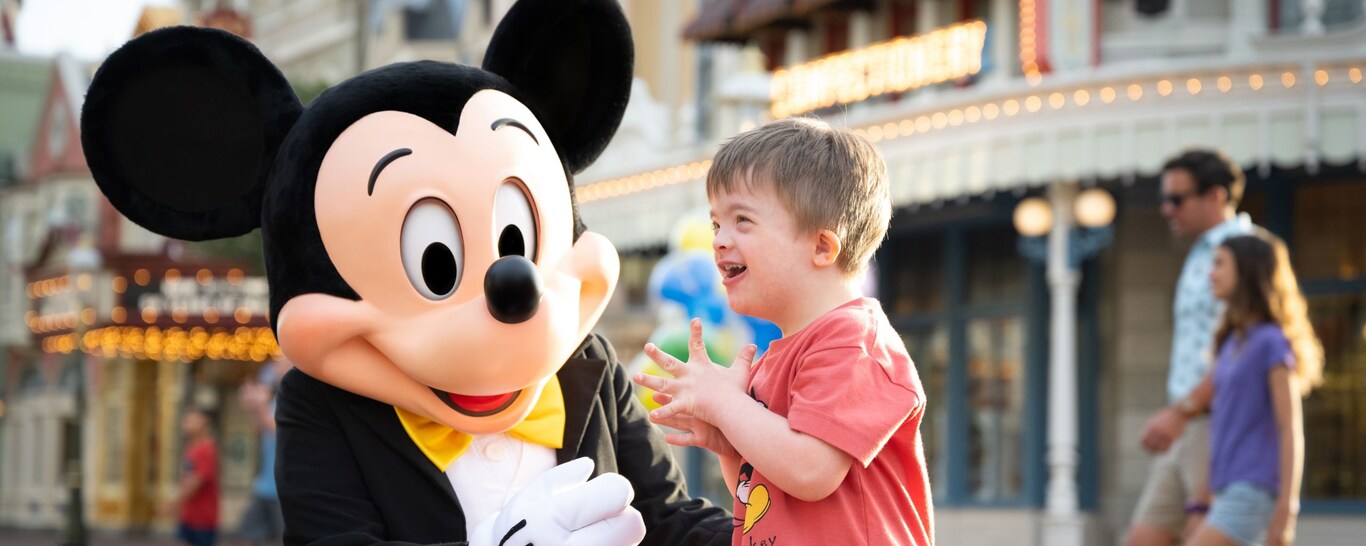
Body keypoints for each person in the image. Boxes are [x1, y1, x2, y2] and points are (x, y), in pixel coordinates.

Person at [633, 118, 933, 545]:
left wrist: (726, 404)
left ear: (822, 247)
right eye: (716, 224)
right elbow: (758, 493)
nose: (718, 240)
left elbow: (810, 472)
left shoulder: (853, 342)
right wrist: (731, 443)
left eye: (742, 220)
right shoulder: (779, 354)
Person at [1127, 149, 1257, 546]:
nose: (1167, 209)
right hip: (1185, 424)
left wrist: (1182, 411)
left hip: (1220, 422)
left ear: (1215, 196)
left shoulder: (1249, 254)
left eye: (1177, 199)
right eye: (1164, 199)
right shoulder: (1200, 254)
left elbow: (1244, 350)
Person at [1186, 231, 1322, 546]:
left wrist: (1287, 509)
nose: (1211, 274)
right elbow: (1222, 427)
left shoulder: (1271, 342)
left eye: (1220, 264)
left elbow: (1290, 428)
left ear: (1246, 271)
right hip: (1226, 489)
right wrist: (1203, 500)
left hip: (1252, 489)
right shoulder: (1231, 343)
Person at [237, 358, 290, 546]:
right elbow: (260, 430)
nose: (274, 368)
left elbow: (280, 431)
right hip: (265, 485)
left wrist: (259, 404)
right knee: (248, 536)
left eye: (280, 363)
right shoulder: (274, 401)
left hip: (284, 488)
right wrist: (253, 406)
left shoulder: (292, 401)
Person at [173, 407, 220, 546]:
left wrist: (173, 502)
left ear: (204, 422)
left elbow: (198, 481)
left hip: (203, 518)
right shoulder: (191, 447)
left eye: (191, 420)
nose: (186, 423)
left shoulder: (207, 449)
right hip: (188, 515)